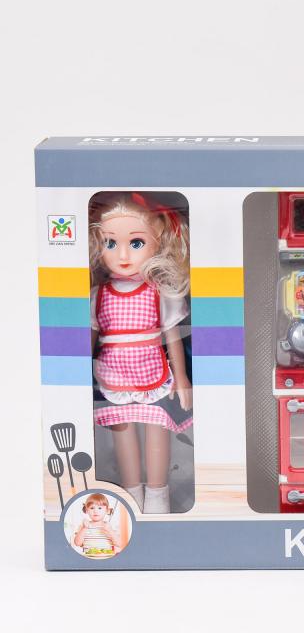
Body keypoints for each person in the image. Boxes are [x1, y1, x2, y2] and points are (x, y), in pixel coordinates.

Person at [89, 192, 192, 514]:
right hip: (113, 375)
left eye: (136, 243)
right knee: (122, 432)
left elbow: (172, 335)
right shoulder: (98, 295)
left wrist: (182, 379)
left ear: (158, 243)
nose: (122, 255)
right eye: (110, 243)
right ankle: (130, 496)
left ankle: (158, 496)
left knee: (157, 428)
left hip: (153, 372)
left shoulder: (159, 293)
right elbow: (89, 340)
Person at [73, 494, 122, 558]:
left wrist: (110, 530)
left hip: (107, 558)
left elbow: (119, 544)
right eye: (92, 508)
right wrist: (84, 528)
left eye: (99, 508)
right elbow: (77, 543)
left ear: (107, 511)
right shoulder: (84, 526)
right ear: (87, 510)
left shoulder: (109, 526)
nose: (95, 511)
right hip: (89, 558)